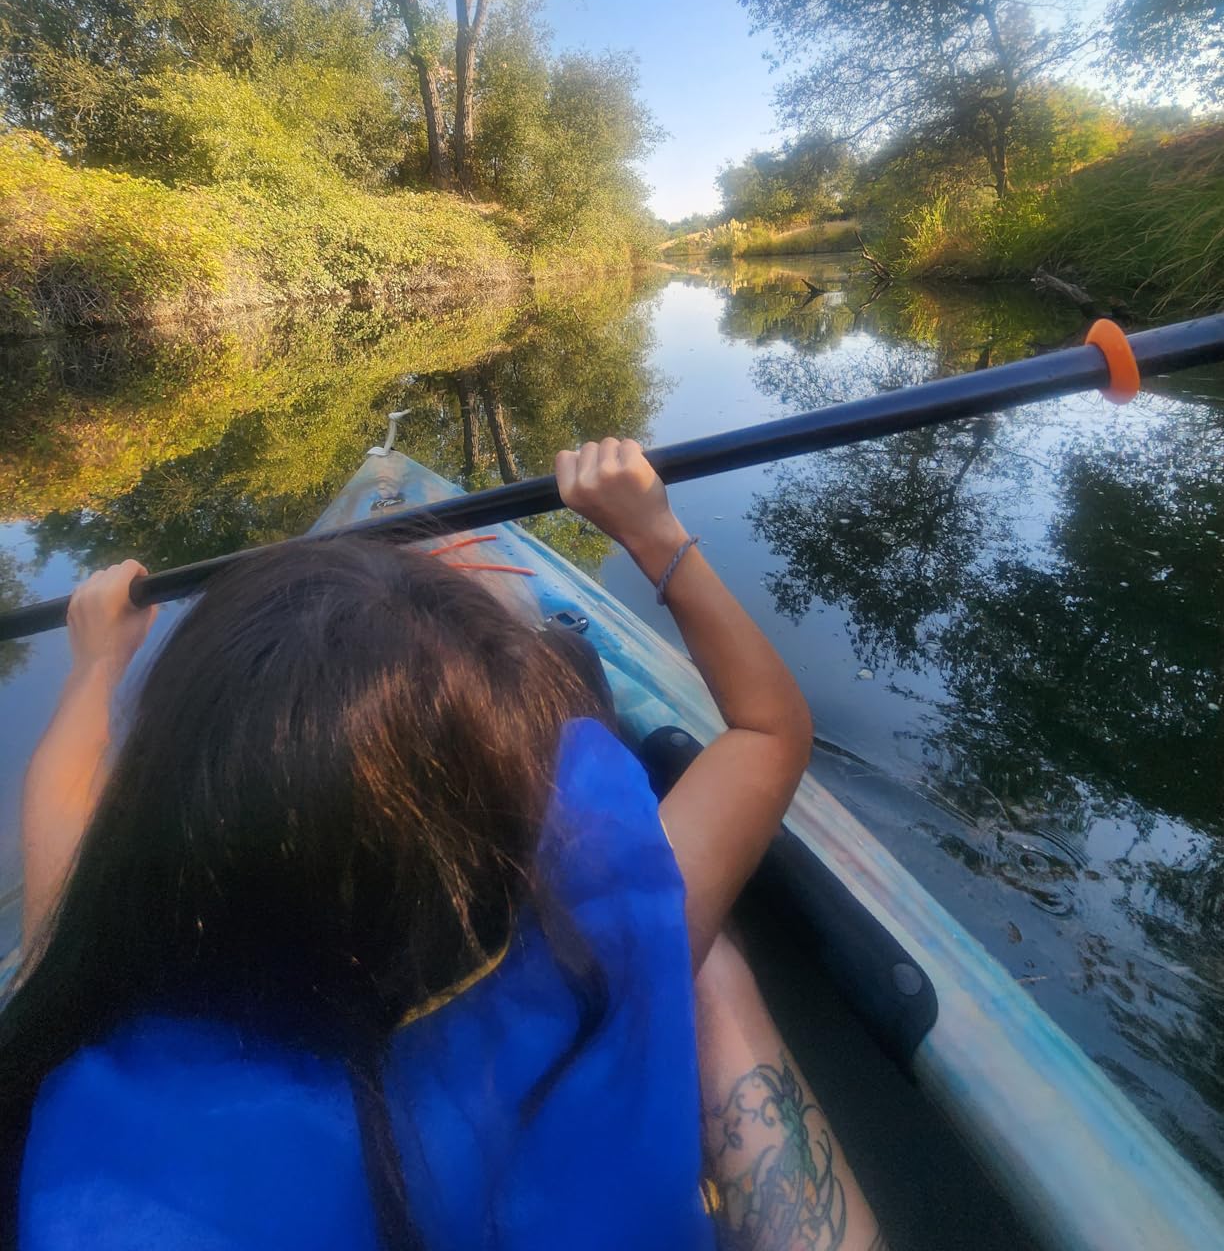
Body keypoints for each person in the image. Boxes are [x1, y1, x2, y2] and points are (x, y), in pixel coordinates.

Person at [2, 438, 885, 1250]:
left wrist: (94, 664)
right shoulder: (604, 932)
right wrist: (655, 535)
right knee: (708, 959)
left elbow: (59, 821)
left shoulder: (103, 1034)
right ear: (499, 846)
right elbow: (768, 730)